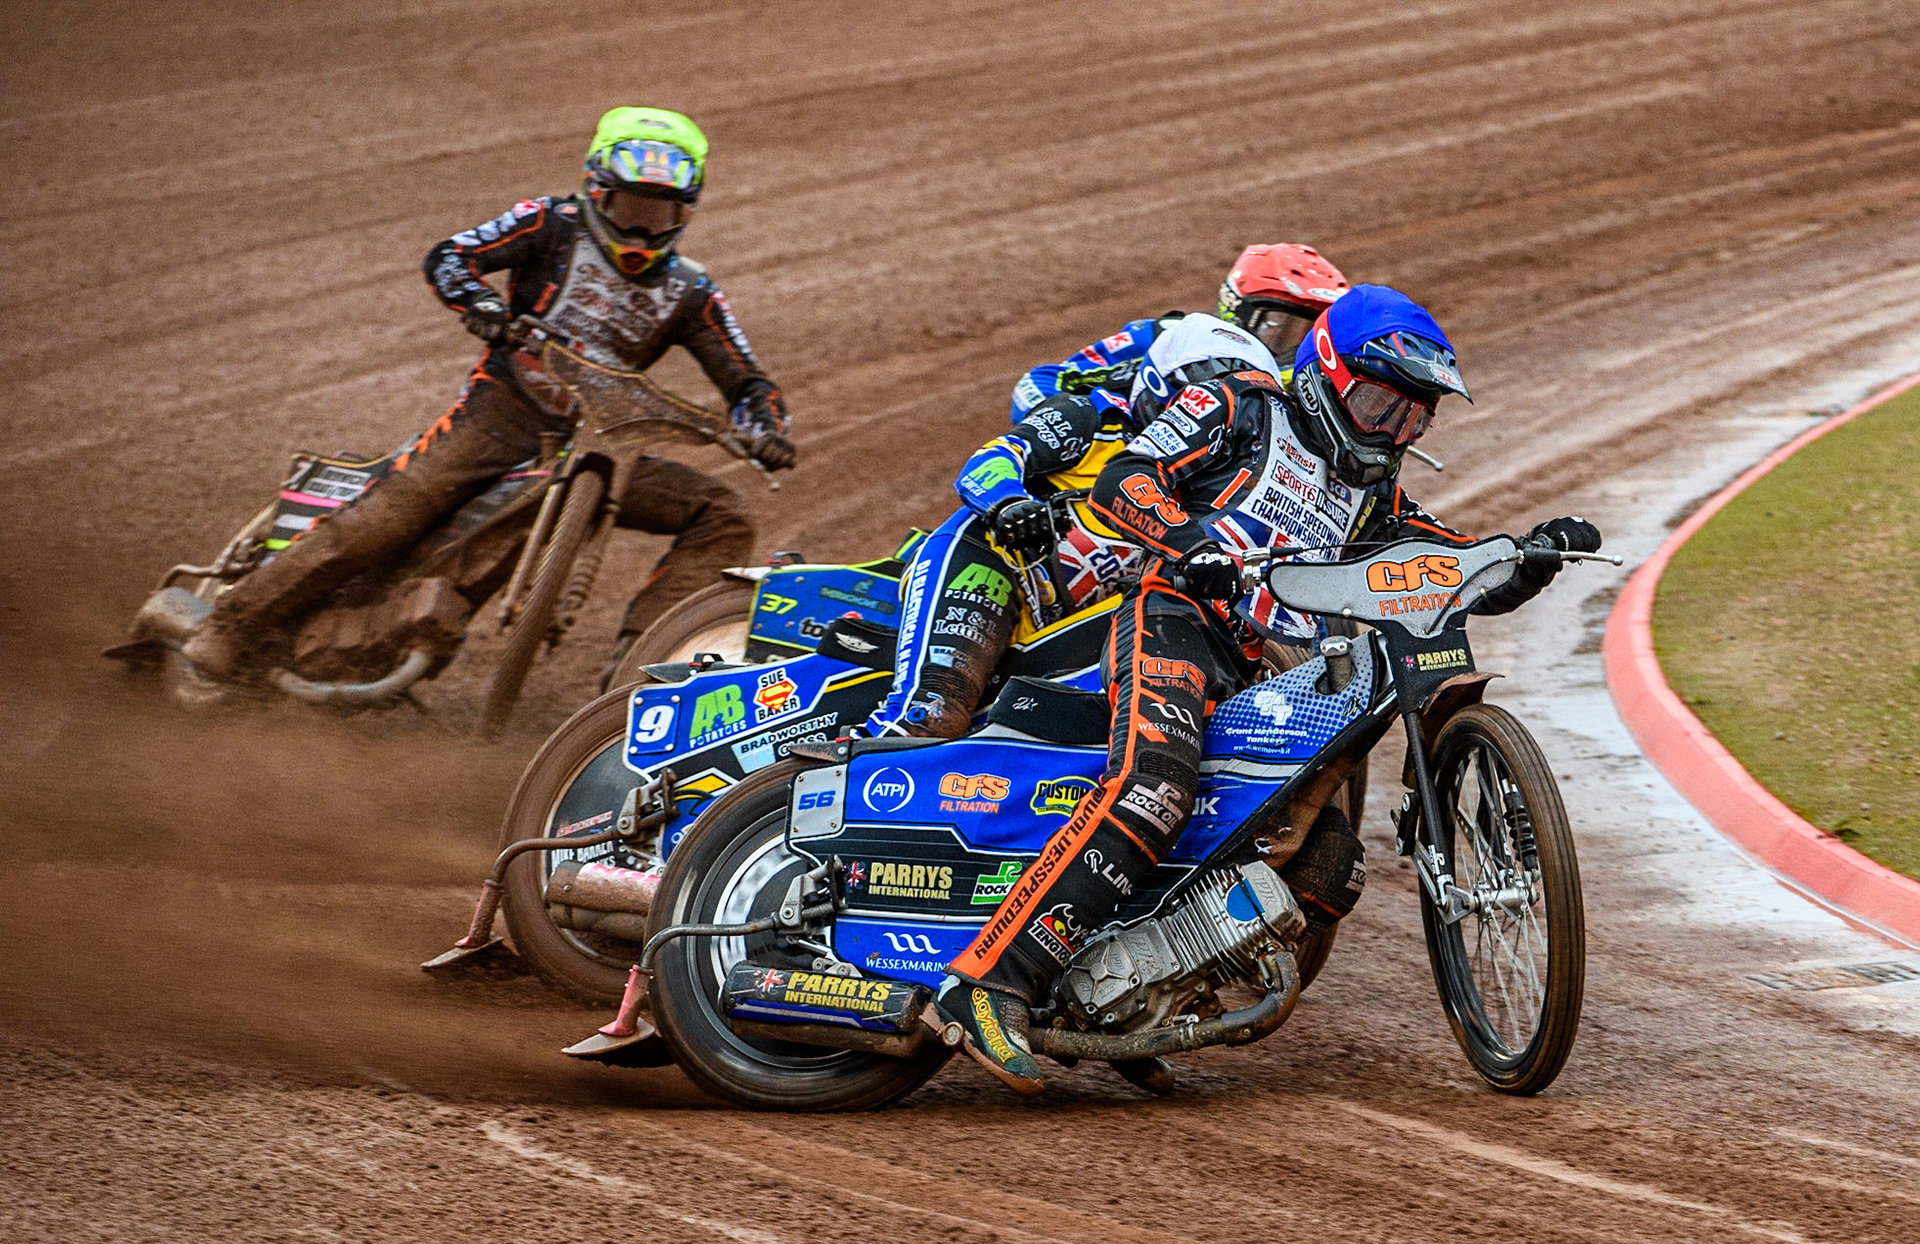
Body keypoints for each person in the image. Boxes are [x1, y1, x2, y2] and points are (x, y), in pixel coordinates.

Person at [937, 285, 1601, 1094]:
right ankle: (989, 981)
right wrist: (1189, 541)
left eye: (1412, 418)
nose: (1391, 431)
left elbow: (1451, 563)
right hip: (1171, 616)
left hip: (1258, 663)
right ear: (1324, 373)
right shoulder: (1239, 405)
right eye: (1379, 404)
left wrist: (1527, 558)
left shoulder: (1374, 496)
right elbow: (1126, 480)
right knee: (1154, 788)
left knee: (1327, 860)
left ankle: (1129, 1001)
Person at [183, 107, 796, 681]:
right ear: (595, 190)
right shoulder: (549, 223)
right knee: (397, 512)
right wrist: (479, 305)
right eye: (629, 207)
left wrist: (765, 428)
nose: (640, 230)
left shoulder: (692, 292)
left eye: (660, 216)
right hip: (501, 413)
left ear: (685, 215)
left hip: (607, 444)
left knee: (723, 512)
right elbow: (451, 255)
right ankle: (233, 626)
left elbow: (748, 380)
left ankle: (646, 675)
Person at [864, 314, 1283, 739]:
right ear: (1165, 387)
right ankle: (867, 755)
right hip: (988, 568)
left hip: (1069, 628)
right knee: (932, 715)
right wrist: (1010, 504)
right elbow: (992, 459)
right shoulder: (1094, 417)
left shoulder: (1224, 500)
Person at [1006, 243, 1348, 422]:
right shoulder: (1166, 339)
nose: (1295, 347)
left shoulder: (1311, 394)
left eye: (1309, 334)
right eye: (1282, 328)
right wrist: (1065, 431)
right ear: (1237, 310)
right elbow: (1034, 386)